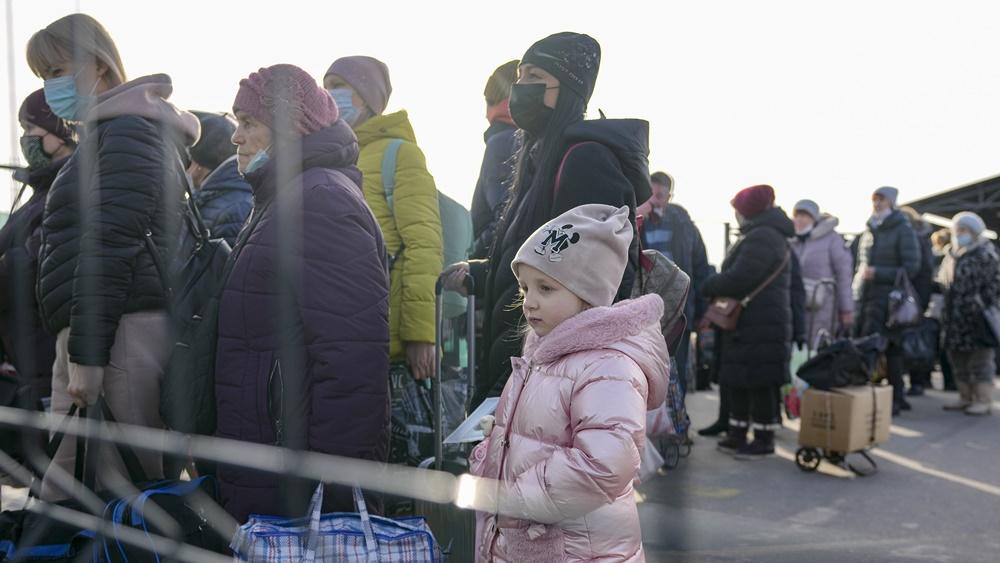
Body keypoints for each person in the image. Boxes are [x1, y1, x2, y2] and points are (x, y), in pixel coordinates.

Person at [28, 14, 198, 499]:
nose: (49, 87)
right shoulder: (110, 133)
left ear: (99, 66)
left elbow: (110, 241)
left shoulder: (127, 131)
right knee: (77, 492)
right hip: (98, 331)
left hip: (116, 334)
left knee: (124, 494)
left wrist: (87, 353)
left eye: (57, 70)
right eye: (43, 76)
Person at [213, 64, 390, 523]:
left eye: (249, 123)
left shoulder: (319, 202)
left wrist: (332, 493)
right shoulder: (287, 197)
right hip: (269, 457)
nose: (236, 137)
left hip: (293, 472)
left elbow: (351, 361)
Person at [443, 32, 653, 407]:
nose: (521, 88)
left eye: (536, 78)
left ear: (569, 90)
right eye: (521, 76)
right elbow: (548, 259)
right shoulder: (539, 158)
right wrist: (481, 273)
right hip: (523, 362)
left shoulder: (584, 162)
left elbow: (596, 280)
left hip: (549, 374)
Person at [470, 204, 668, 563]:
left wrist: (518, 497)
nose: (529, 302)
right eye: (525, 288)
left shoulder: (608, 366)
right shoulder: (544, 356)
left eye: (546, 288)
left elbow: (606, 463)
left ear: (588, 294)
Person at [323, 56, 442, 384]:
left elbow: (423, 242)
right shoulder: (330, 156)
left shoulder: (400, 154)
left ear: (365, 96)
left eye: (337, 87)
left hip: (386, 339)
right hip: (337, 329)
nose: (328, 95)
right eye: (326, 87)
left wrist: (421, 333)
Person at [702, 185, 794, 458]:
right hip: (753, 321)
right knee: (744, 379)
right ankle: (737, 433)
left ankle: (762, 439)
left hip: (758, 321)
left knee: (758, 381)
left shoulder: (762, 237)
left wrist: (709, 284)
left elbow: (742, 277)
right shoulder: (765, 235)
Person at [0, 90, 75, 404]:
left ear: (60, 132)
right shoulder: (44, 188)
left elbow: (36, 265)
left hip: (42, 366)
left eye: (30, 129)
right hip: (23, 362)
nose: (24, 139)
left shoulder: (68, 189)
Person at [637, 171, 713, 395]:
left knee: (675, 369)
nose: (654, 200)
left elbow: (700, 267)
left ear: (669, 196)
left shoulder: (684, 224)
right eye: (650, 194)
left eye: (660, 195)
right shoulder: (636, 219)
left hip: (679, 306)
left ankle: (675, 423)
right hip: (644, 306)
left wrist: (701, 310)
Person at [852, 186, 920, 415]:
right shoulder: (870, 229)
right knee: (871, 347)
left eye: (881, 200)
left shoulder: (903, 230)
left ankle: (893, 399)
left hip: (891, 300)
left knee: (891, 350)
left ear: (891, 202)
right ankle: (874, 398)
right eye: (874, 200)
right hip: (868, 297)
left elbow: (912, 267)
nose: (877, 204)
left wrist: (879, 273)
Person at [937, 212, 999, 415]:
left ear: (974, 232)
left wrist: (981, 305)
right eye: (957, 230)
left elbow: (994, 286)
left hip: (977, 318)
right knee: (958, 359)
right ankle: (965, 396)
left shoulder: (985, 254)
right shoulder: (951, 255)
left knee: (980, 360)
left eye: (963, 230)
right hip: (954, 318)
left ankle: (983, 399)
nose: (959, 234)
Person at [789, 199, 854, 349]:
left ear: (814, 218)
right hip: (796, 303)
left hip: (823, 305)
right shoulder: (791, 240)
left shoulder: (832, 239)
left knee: (818, 345)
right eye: (797, 215)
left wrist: (846, 309)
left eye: (804, 216)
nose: (800, 220)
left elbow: (844, 274)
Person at [470, 60, 519, 259]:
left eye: (488, 101)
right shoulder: (526, 140)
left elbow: (504, 216)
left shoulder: (502, 142)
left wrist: (472, 255)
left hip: (496, 268)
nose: (485, 113)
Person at [186, 111, 252, 247]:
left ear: (199, 163)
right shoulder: (212, 195)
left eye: (189, 161)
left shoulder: (236, 207)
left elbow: (223, 265)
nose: (185, 169)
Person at [899, 206, 936, 396]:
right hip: (905, 297)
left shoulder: (919, 240)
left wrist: (920, 300)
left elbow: (925, 272)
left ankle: (918, 380)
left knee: (914, 340)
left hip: (914, 298)